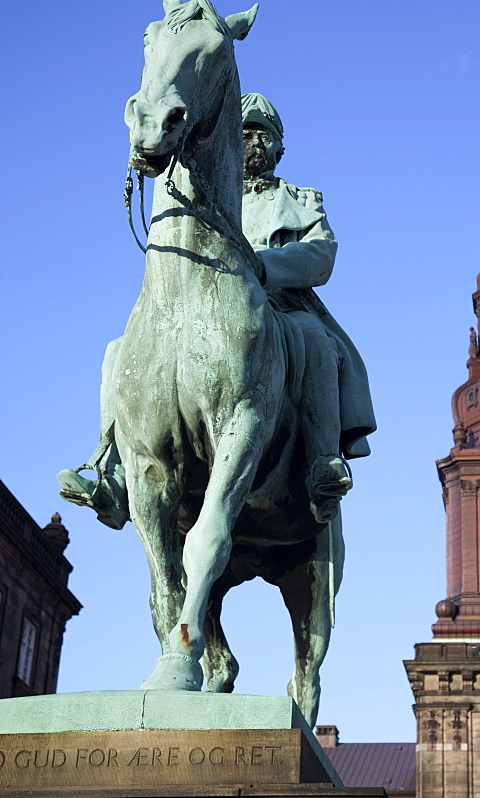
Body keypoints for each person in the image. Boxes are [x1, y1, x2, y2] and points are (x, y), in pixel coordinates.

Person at [58, 93, 375, 527]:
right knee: (119, 352)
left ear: (281, 148)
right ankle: (110, 471)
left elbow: (320, 255)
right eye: (244, 132)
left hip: (277, 305)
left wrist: (264, 267)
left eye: (264, 134)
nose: (254, 141)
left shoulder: (300, 199)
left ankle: (322, 465)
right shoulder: (204, 191)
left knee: (317, 342)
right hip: (200, 307)